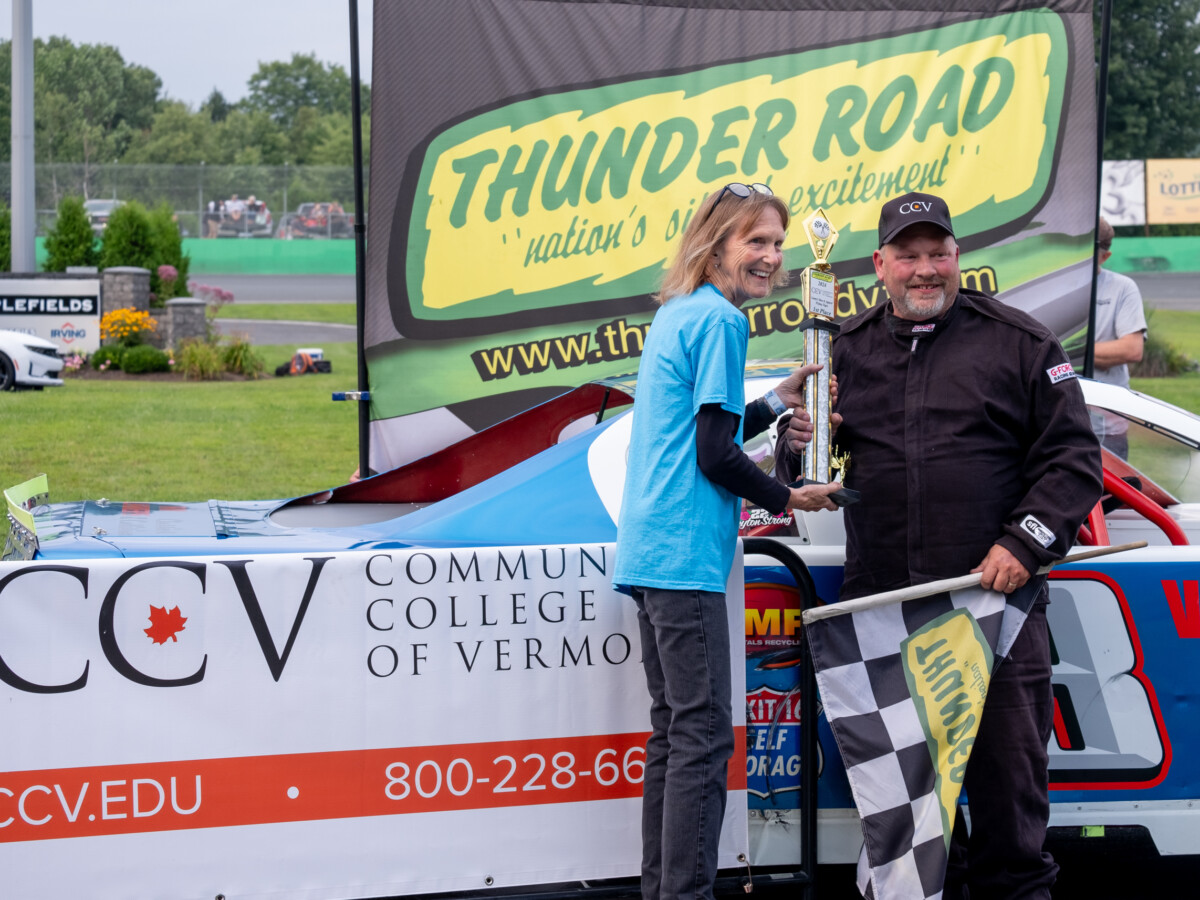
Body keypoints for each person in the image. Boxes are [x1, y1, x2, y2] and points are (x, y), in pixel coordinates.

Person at [776, 192, 1102, 899]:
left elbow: (1074, 460)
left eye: (938, 254)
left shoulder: (1019, 342)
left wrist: (1026, 542)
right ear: (879, 265)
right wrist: (793, 445)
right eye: (909, 256)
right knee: (904, 828)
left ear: (959, 258)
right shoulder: (845, 349)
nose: (925, 270)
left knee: (1010, 815)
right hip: (883, 616)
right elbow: (808, 477)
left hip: (996, 612)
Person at [612, 182, 841, 900]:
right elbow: (714, 456)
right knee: (703, 739)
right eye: (757, 242)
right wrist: (788, 495)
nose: (772, 256)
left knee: (677, 738)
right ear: (717, 247)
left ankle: (664, 892)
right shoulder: (719, 323)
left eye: (778, 243)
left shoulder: (682, 313)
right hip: (683, 556)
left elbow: (699, 435)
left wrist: (775, 403)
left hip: (653, 551)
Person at [1091, 216, 1148, 458]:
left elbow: (1132, 349)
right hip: (1056, 424)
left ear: (1105, 256)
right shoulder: (1051, 286)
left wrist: (1062, 353)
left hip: (1108, 426)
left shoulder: (1122, 287)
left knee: (1113, 496)